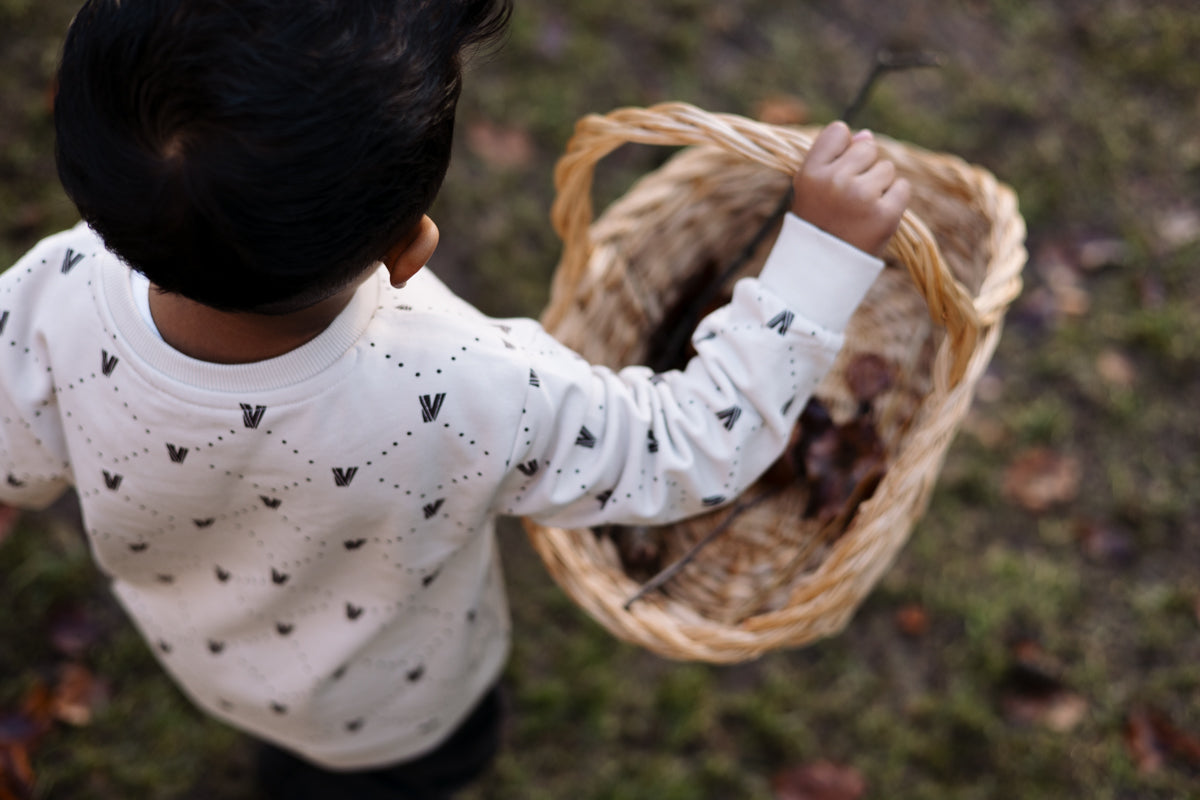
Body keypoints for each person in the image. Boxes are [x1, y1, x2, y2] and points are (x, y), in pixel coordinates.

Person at [0, 0, 910, 797]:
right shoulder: (473, 387)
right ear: (411, 247)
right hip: (396, 716)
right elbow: (690, 446)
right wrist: (820, 260)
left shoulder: (49, 294)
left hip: (206, 657)